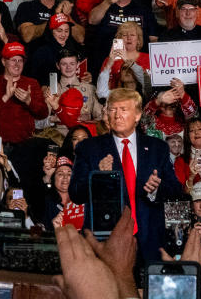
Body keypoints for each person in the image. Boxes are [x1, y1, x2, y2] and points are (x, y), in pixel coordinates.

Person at [70, 88, 181, 261]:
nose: (117, 115)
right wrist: (98, 176)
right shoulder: (89, 148)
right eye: (112, 110)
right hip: (106, 242)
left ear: (137, 115)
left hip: (149, 242)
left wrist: (155, 190)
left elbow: (175, 190)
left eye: (123, 109)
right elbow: (75, 193)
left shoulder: (157, 148)